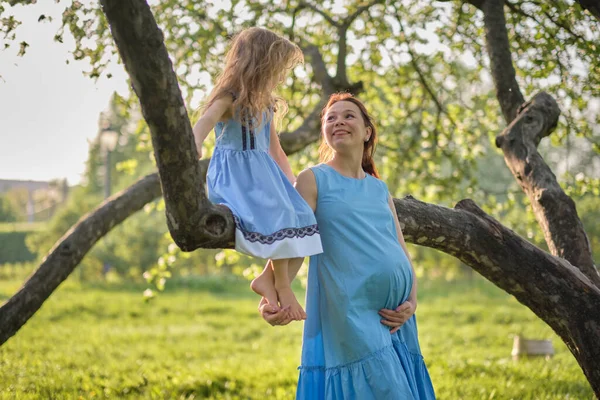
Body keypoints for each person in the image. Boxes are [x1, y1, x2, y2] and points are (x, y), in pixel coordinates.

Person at [259, 93, 436, 399]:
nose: (338, 121)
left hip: (395, 319)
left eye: (348, 115)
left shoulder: (378, 187)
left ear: (368, 132)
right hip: (350, 311)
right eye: (331, 118)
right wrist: (274, 292)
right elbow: (293, 244)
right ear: (325, 132)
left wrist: (413, 301)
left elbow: (400, 249)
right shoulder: (313, 179)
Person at [192, 27, 323, 321]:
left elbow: (275, 151)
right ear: (260, 64)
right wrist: (195, 143)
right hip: (236, 179)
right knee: (278, 213)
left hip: (264, 176)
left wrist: (290, 183)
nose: (280, 77)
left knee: (302, 215)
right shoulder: (229, 97)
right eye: (278, 69)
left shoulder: (266, 105)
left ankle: (270, 281)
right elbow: (205, 121)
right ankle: (282, 286)